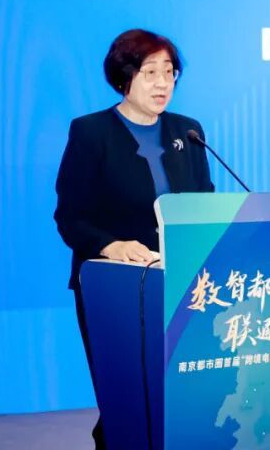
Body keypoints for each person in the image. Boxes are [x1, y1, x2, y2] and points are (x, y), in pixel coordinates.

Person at [54, 28, 214, 449]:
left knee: (183, 398)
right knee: (127, 400)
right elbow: (71, 217)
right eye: (150, 72)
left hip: (183, 284)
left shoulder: (188, 132)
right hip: (118, 289)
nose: (163, 83)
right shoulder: (92, 133)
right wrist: (112, 246)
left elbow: (205, 204)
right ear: (125, 77)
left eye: (170, 71)